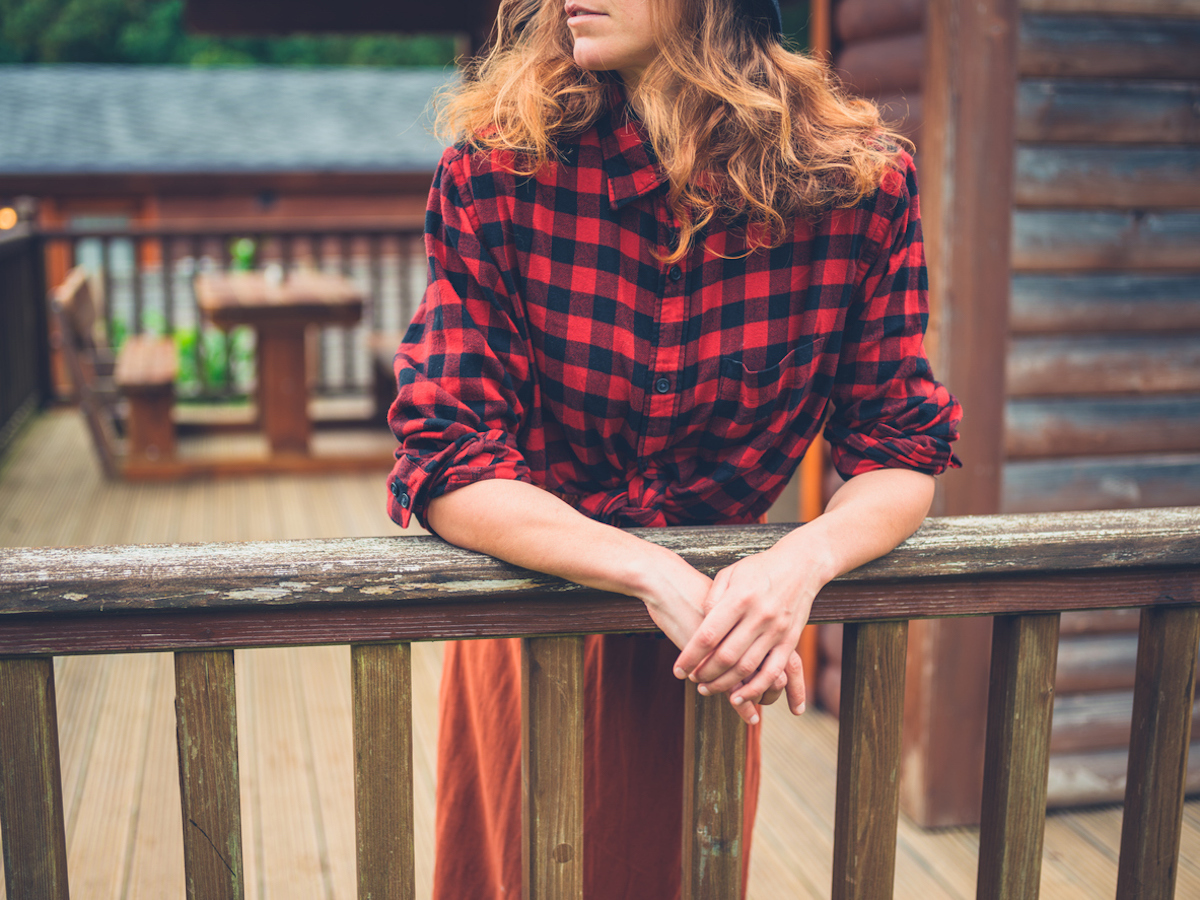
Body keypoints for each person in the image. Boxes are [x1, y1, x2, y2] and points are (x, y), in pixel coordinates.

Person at [385, 0, 962, 896]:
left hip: (718, 647)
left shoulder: (859, 188)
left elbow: (899, 444)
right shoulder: (497, 170)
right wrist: (653, 571)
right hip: (536, 604)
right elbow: (447, 457)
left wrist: (796, 564)